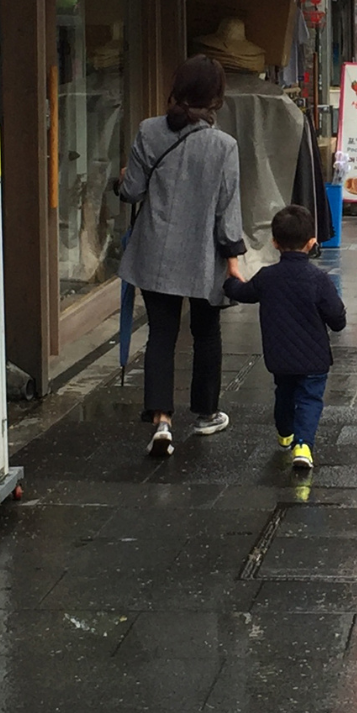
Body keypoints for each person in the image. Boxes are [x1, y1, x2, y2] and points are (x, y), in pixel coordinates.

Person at [118, 55, 246, 456]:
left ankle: (161, 420)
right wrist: (234, 258)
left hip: (155, 251)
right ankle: (206, 413)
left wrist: (117, 181)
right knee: (206, 333)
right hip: (203, 254)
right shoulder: (224, 146)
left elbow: (132, 191)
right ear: (216, 98)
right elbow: (228, 209)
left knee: (161, 334)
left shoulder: (149, 131)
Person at [224, 205, 345, 472]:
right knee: (310, 399)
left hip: (279, 356)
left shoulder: (268, 277)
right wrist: (338, 320)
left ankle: (285, 432)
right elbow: (336, 316)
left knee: (285, 393)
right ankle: (303, 445)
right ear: (312, 243)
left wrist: (229, 281)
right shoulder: (318, 279)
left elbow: (243, 292)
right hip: (314, 358)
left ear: (275, 243)